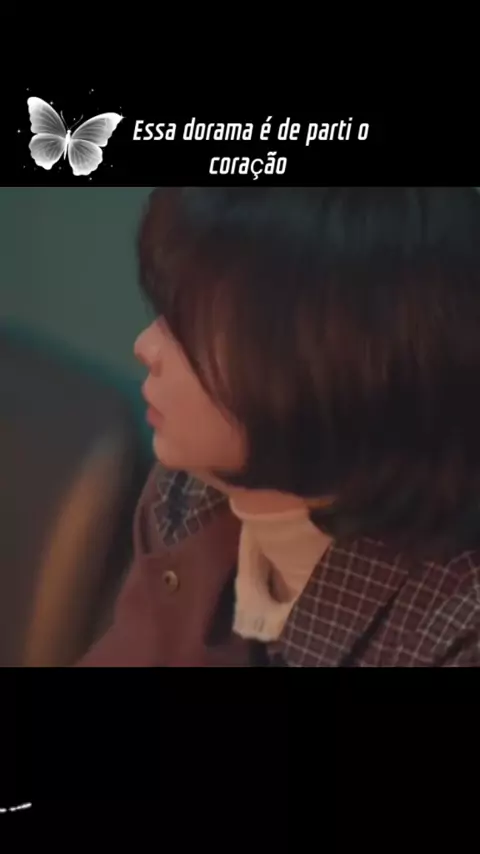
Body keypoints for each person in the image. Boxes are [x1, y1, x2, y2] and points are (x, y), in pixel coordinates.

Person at [75, 187, 480, 667]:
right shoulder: (188, 494)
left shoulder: (456, 629)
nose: (146, 346)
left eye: (190, 331)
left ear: (333, 367)